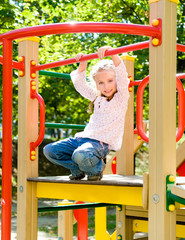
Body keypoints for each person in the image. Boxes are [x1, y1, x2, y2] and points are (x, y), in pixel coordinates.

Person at [43, 46, 130, 181]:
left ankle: (96, 169)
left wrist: (112, 52)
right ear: (96, 84)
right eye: (101, 83)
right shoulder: (96, 97)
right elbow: (80, 85)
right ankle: (78, 168)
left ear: (117, 80)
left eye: (110, 81)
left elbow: (123, 76)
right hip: (82, 140)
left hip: (99, 144)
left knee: (81, 154)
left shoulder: (121, 98)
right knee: (50, 150)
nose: (106, 86)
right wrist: (82, 66)